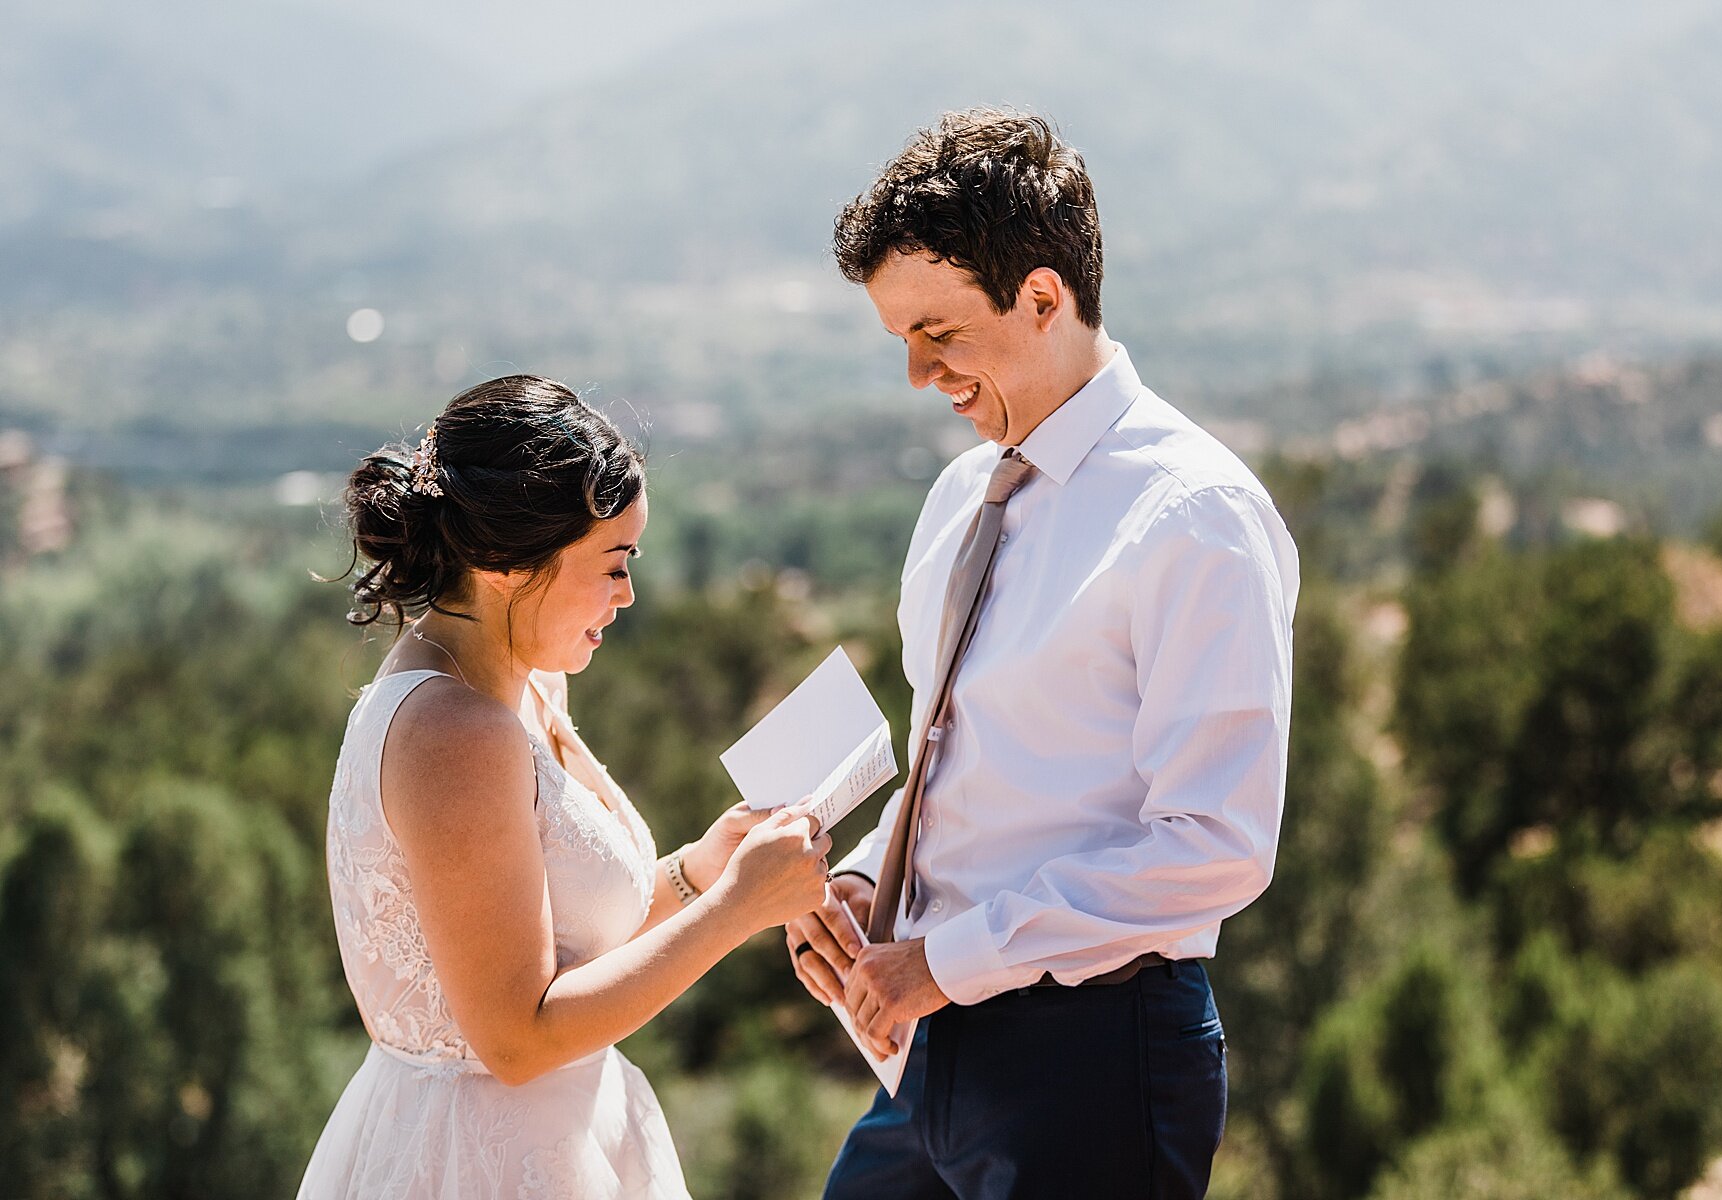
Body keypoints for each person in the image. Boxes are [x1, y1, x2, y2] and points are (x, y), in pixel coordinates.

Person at [784, 110, 1301, 1198]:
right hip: (928, 1056)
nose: (921, 375)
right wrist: (860, 886)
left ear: (1044, 297)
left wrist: (943, 962)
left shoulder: (1192, 515)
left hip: (1097, 1058)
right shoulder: (961, 494)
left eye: (943, 333)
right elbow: (963, 771)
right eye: (901, 341)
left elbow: (1217, 843)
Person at [299, 375, 830, 1199]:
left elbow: (568, 947)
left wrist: (698, 871)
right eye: (612, 565)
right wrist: (737, 913)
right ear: (508, 564)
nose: (626, 595)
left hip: (566, 1140)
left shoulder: (527, 688)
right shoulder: (455, 735)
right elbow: (517, 1038)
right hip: (474, 1161)